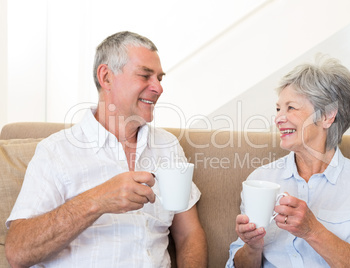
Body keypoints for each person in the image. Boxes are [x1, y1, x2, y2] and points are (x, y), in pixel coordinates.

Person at [5, 31, 207, 268]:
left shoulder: (168, 146)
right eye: (145, 75)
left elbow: (189, 235)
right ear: (106, 77)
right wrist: (98, 200)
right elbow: (18, 252)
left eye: (160, 78)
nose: (159, 88)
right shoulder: (56, 151)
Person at [226, 56, 350, 267]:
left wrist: (312, 231)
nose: (278, 118)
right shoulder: (260, 180)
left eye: (291, 108)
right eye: (278, 109)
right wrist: (252, 247)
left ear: (327, 116)